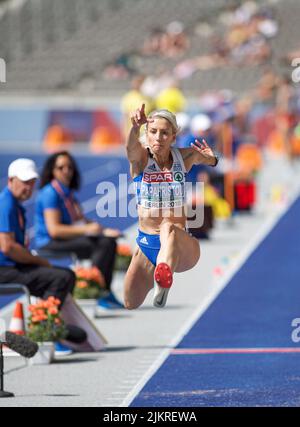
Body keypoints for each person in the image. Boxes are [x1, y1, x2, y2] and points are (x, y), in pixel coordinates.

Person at [124, 104, 218, 309]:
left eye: (165, 133)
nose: (158, 137)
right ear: (147, 134)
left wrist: (212, 158)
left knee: (168, 227)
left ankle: (163, 280)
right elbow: (130, 148)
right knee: (130, 302)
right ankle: (160, 273)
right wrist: (134, 128)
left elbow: (207, 159)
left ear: (173, 137)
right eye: (153, 132)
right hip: (147, 243)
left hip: (181, 245)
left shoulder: (183, 156)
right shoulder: (141, 160)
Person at [0, 159, 77, 354]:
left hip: (12, 267)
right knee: (60, 277)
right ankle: (44, 333)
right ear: (10, 180)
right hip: (5, 270)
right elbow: (7, 247)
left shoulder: (14, 203)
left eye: (32, 182)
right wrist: (38, 260)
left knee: (64, 274)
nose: (29, 187)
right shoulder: (6, 204)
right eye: (25, 181)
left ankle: (46, 328)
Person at [34, 151, 123, 310]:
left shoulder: (67, 193)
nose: (66, 171)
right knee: (102, 245)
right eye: (61, 167)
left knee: (108, 241)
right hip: (49, 241)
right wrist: (88, 229)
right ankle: (94, 289)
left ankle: (104, 290)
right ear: (52, 171)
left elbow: (80, 220)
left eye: (70, 167)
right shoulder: (50, 193)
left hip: (64, 239)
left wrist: (104, 230)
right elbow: (54, 230)